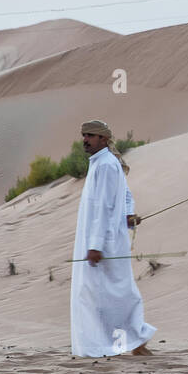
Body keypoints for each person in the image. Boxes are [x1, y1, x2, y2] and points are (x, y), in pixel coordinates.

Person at [70, 119, 156, 357]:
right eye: (84, 135)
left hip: (104, 244)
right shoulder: (101, 163)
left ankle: (125, 343)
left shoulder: (106, 165)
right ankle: (129, 342)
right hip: (104, 240)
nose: (85, 139)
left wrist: (95, 245)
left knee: (107, 294)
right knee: (110, 293)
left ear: (104, 139)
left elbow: (104, 208)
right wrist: (128, 214)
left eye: (90, 135)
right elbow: (125, 195)